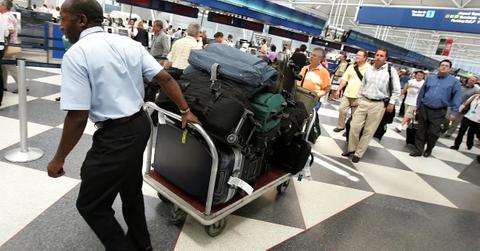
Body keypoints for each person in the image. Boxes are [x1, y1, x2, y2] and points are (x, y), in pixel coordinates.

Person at [47, 1, 199, 250]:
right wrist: (186, 110)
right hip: (140, 125)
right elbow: (165, 78)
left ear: (82, 20)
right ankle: (142, 245)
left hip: (116, 137)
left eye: (64, 19)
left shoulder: (77, 54)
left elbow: (77, 117)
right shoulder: (129, 44)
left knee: (91, 204)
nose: (61, 25)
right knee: (131, 190)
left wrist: (59, 159)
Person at [342, 48, 401, 163]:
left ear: (386, 58)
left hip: (378, 104)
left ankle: (358, 153)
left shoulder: (390, 71)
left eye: (381, 56)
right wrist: (359, 98)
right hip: (364, 101)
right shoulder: (369, 70)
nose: (378, 57)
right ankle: (351, 148)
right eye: (377, 55)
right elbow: (363, 85)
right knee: (354, 125)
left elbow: (396, 90)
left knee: (368, 130)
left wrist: (392, 103)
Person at [410, 59, 462, 157]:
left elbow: (457, 97)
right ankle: (418, 150)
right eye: (442, 65)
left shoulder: (454, 82)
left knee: (433, 133)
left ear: (450, 69)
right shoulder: (430, 78)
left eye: (446, 66)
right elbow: (422, 92)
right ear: (439, 67)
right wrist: (418, 105)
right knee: (421, 130)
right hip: (424, 108)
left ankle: (429, 149)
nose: (444, 67)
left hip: (439, 111)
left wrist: (454, 112)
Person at [333, 49, 372, 133]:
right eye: (357, 54)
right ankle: (341, 126)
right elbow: (344, 79)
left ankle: (349, 131)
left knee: (355, 116)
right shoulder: (352, 66)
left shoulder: (369, 69)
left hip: (359, 96)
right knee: (341, 109)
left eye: (359, 55)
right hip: (347, 93)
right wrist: (338, 90)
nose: (357, 56)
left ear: (365, 58)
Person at [1, 0, 20, 93]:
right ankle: (4, 85)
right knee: (3, 66)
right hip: (11, 44)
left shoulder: (5, 16)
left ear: (4, 6)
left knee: (10, 66)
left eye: (0, 5)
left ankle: (22, 86)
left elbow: (10, 29)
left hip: (7, 45)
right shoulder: (11, 15)